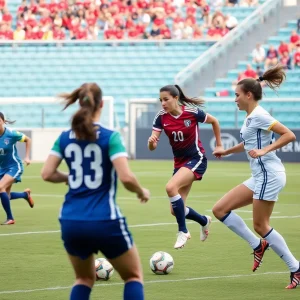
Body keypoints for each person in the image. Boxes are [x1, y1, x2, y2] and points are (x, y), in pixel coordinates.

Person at [41, 83, 150, 300]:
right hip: (104, 219)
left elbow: (47, 173)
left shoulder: (64, 137)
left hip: (71, 219)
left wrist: (71, 178)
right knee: (133, 277)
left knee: (83, 279)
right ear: (101, 104)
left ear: (79, 104)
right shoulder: (110, 137)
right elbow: (126, 177)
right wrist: (141, 191)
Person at [212, 65, 300, 289]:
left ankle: (295, 267)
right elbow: (249, 143)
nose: (235, 99)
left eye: (237, 95)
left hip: (268, 174)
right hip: (260, 175)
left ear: (248, 95)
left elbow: (288, 134)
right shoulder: (250, 117)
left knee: (261, 225)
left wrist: (264, 150)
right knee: (220, 210)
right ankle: (257, 246)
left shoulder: (260, 115)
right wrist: (226, 151)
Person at [148, 85, 223, 249]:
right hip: (180, 163)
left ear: (175, 98)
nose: (163, 103)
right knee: (175, 210)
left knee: (170, 187)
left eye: (166, 99)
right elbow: (152, 145)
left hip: (197, 159)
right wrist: (151, 143)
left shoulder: (192, 113)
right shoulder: (161, 118)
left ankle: (183, 231)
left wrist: (218, 145)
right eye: (161, 100)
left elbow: (214, 121)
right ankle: (204, 220)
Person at [0, 112, 34, 225]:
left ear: (3, 121)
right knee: (6, 195)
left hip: (14, 167)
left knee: (0, 188)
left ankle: (10, 218)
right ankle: (25, 195)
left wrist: (27, 157)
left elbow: (28, 140)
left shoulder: (11, 134)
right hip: (2, 168)